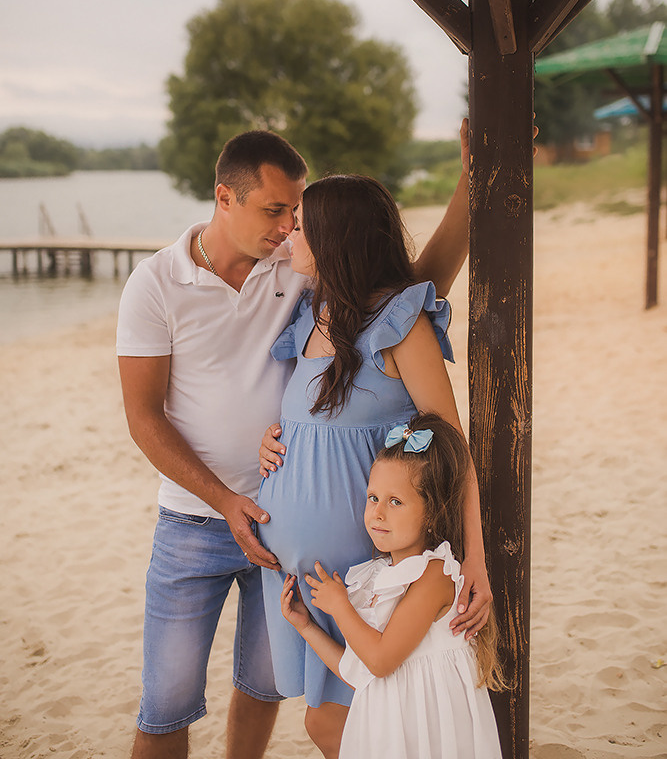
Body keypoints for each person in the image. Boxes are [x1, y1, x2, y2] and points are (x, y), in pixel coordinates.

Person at [116, 128, 473, 759]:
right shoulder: (156, 285)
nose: (286, 228)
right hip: (198, 520)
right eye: (275, 211)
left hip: (298, 537)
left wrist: (470, 187)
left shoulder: (300, 267)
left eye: (295, 213)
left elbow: (402, 291)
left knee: (270, 689)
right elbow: (143, 417)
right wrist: (228, 496)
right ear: (224, 198)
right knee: (168, 699)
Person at [258, 174, 492, 757]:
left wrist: (476, 562)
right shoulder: (311, 318)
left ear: (337, 240)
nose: (288, 232)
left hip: (367, 569)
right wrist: (272, 442)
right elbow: (316, 424)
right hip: (311, 576)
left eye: (303, 226)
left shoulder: (398, 326)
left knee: (341, 724)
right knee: (344, 721)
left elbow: (450, 449)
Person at [279, 413, 504, 759]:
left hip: (428, 729)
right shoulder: (380, 575)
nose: (378, 513)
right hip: (394, 728)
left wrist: (340, 606)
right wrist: (306, 626)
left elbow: (381, 660)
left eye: (395, 502)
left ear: (432, 513)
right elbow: (361, 670)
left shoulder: (435, 575)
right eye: (373, 498)